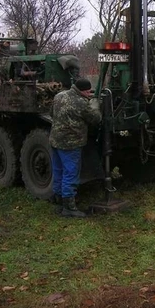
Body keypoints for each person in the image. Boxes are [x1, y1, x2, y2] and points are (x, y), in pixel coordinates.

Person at [49, 78, 101, 218]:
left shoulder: (59, 96)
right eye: (88, 92)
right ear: (83, 91)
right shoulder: (82, 103)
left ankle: (58, 200)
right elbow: (95, 119)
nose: (89, 94)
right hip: (71, 144)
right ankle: (69, 207)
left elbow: (51, 113)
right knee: (70, 173)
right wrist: (95, 104)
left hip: (55, 140)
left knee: (58, 171)